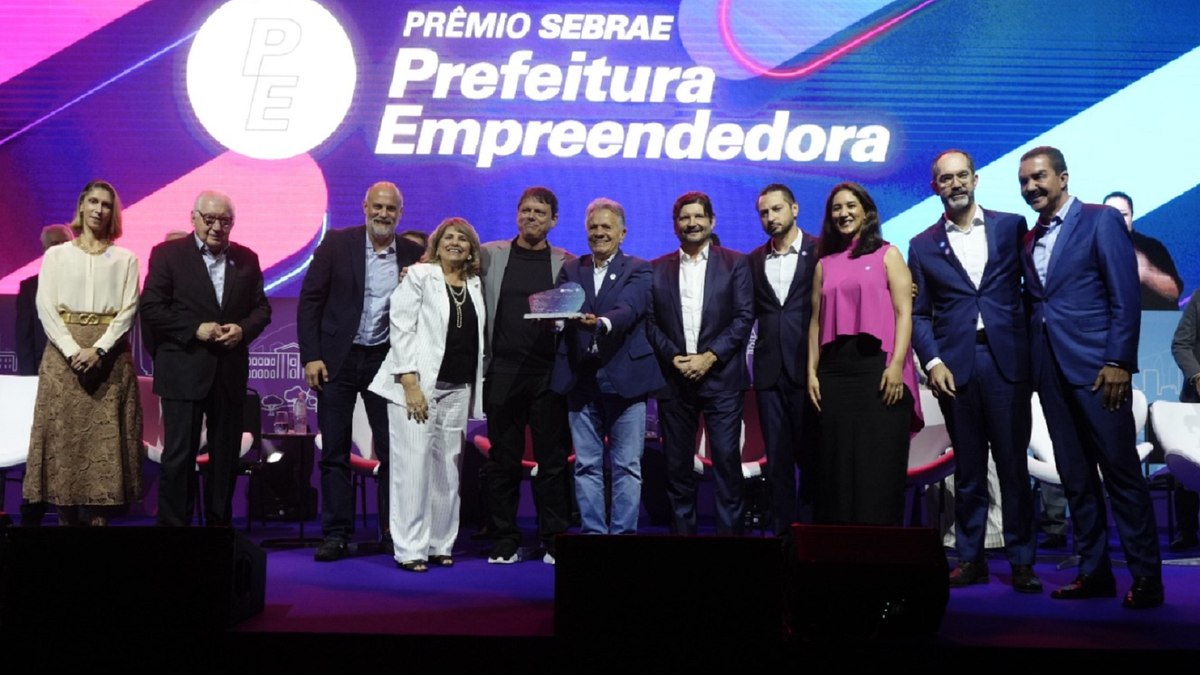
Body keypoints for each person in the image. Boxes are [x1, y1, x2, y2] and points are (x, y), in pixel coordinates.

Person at [1018, 146, 1162, 608]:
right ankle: (1094, 572)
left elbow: (1126, 294)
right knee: (1076, 479)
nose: (1031, 187)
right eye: (1024, 182)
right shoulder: (1029, 239)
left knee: (1122, 476)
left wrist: (1119, 361)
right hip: (1050, 374)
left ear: (1063, 178)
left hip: (1100, 372)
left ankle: (1147, 578)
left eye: (1039, 177)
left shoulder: (1101, 220)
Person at [908, 150, 1040, 592]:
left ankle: (1022, 560)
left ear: (976, 179)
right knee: (967, 471)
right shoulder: (922, 245)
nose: (956, 184)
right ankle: (970, 558)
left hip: (1007, 364)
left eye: (962, 175)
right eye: (946, 179)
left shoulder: (1011, 227)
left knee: (1013, 468)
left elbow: (1033, 291)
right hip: (955, 368)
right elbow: (919, 314)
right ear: (935, 187)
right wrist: (932, 362)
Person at [298, 182, 424, 561]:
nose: (383, 214)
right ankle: (336, 534)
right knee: (335, 451)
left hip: (385, 364)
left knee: (393, 451)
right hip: (336, 360)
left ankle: (394, 532)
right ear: (365, 207)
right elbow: (310, 301)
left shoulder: (413, 254)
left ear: (400, 214)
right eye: (378, 207)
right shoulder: (337, 244)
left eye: (391, 209)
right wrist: (311, 356)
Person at [140, 190, 272, 527]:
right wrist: (195, 329)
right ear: (194, 218)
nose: (216, 227)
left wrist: (242, 330)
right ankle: (175, 534)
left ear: (233, 223)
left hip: (228, 372)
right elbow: (151, 307)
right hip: (183, 369)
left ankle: (218, 531)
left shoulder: (247, 258)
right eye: (209, 219)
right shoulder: (168, 255)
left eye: (224, 221)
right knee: (179, 457)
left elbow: (261, 309)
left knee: (225, 458)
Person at [368, 217, 485, 572]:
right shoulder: (419, 275)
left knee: (448, 470)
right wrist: (409, 383)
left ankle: (439, 543)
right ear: (436, 244)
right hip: (415, 387)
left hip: (457, 387)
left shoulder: (475, 283)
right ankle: (409, 549)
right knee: (412, 469)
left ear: (471, 249)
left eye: (462, 238)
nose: (455, 242)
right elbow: (401, 328)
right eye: (448, 237)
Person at [22, 181, 142, 526]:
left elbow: (128, 311)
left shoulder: (126, 259)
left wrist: (99, 349)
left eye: (106, 204)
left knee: (104, 445)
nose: (98, 209)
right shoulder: (57, 255)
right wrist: (73, 349)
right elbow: (45, 307)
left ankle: (98, 528)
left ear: (113, 212)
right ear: (81, 205)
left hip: (109, 359)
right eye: (93, 201)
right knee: (65, 442)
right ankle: (66, 528)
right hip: (64, 359)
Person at [806, 182, 922, 525]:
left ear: (867, 211)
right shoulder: (824, 264)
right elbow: (815, 323)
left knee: (878, 466)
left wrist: (896, 365)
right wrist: (811, 372)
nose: (843, 213)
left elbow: (904, 313)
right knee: (835, 467)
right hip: (834, 374)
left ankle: (880, 545)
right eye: (837, 208)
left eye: (850, 206)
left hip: (878, 369)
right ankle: (839, 548)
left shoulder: (889, 254)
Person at [551, 198, 665, 534]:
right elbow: (561, 308)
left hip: (626, 378)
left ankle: (622, 538)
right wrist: (553, 320)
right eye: (593, 227)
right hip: (581, 379)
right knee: (586, 465)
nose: (599, 233)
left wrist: (601, 323)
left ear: (622, 233)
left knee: (627, 465)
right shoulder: (572, 269)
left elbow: (630, 308)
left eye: (606, 227)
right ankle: (593, 537)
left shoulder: (639, 269)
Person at [647, 191, 753, 535]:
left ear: (711, 221)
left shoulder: (736, 263)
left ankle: (730, 545)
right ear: (675, 224)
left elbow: (743, 317)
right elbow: (650, 322)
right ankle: (684, 546)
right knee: (677, 470)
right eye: (684, 217)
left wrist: (709, 357)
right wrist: (672, 356)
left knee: (726, 466)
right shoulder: (656, 268)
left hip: (722, 378)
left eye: (698, 216)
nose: (691, 223)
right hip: (675, 380)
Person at [479, 187, 574, 564]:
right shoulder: (490, 254)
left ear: (553, 220)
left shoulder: (566, 262)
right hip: (502, 372)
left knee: (552, 462)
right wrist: (415, 267)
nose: (531, 216)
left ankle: (553, 539)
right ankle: (504, 539)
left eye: (539, 212)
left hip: (548, 375)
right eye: (526, 210)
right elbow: (446, 261)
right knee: (503, 462)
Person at [747, 184, 820, 535]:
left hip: (810, 371)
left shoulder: (821, 251)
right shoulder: (753, 260)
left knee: (813, 459)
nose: (770, 217)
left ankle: (810, 534)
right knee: (777, 460)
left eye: (776, 209)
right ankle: (783, 535)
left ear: (795, 209)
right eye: (764, 212)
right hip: (769, 374)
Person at [15, 224, 73, 526]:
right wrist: (30, 384)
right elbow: (24, 340)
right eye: (52, 244)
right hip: (41, 381)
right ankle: (32, 511)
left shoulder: (86, 284)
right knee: (38, 448)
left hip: (78, 379)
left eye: (62, 242)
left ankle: (73, 513)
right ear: (43, 250)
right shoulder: (29, 287)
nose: (57, 248)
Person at [1102, 191, 1183, 311]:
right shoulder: (1087, 248)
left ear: (1132, 216)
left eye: (1123, 214)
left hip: (1149, 318)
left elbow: (1174, 293)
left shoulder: (1151, 247)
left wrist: (1147, 273)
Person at [1169, 289, 1200, 551]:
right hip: (1196, 402)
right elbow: (1181, 344)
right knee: (1187, 467)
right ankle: (1187, 530)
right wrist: (1197, 376)